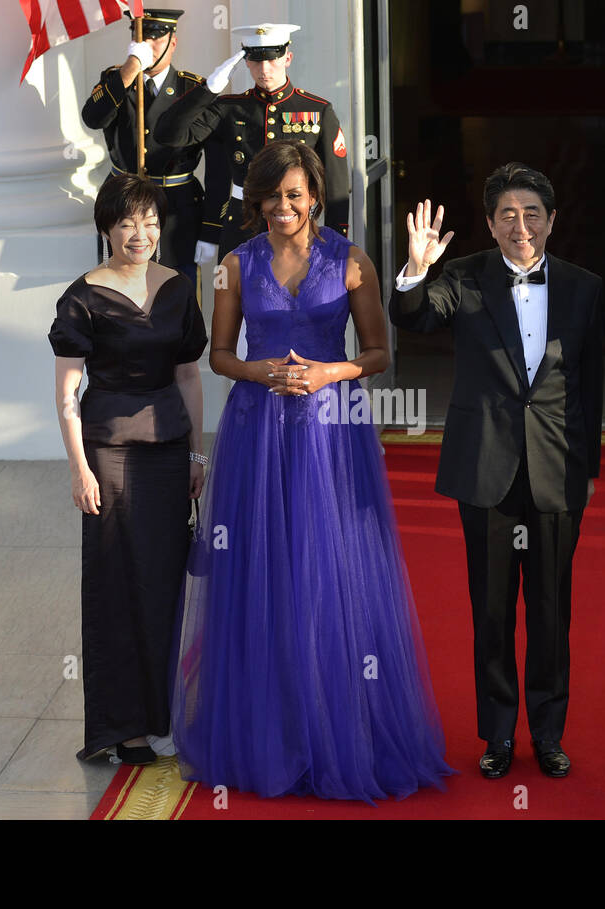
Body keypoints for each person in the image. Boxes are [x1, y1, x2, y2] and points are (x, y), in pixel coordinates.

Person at [171, 140, 452, 801]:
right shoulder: (233, 267)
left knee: (330, 569)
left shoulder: (351, 261)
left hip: (332, 433)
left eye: (293, 194)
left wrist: (331, 370)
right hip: (257, 431)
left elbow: (379, 352)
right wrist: (255, 369)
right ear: (254, 200)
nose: (282, 206)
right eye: (269, 195)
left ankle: (339, 726)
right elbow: (217, 355)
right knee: (262, 572)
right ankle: (273, 728)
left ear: (315, 195)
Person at [388, 164, 604, 780]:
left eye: (532, 212)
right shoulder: (463, 276)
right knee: (490, 610)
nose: (520, 225)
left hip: (557, 472)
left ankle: (548, 734)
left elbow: (589, 387)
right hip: (485, 467)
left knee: (551, 609)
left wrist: (587, 469)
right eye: (506, 214)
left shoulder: (584, 287)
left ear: (553, 220)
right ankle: (498, 736)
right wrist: (416, 268)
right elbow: (415, 315)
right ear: (488, 223)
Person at [49, 175, 207, 765]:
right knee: (116, 584)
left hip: (168, 449)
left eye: (149, 222)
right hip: (108, 453)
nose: (139, 234)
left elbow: (190, 377)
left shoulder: (178, 288)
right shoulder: (83, 296)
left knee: (164, 582)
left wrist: (196, 454)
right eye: (125, 223)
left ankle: (166, 714)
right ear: (106, 229)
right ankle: (124, 727)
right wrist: (78, 468)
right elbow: (67, 396)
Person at [153, 22, 350, 264]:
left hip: (296, 227)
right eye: (256, 60)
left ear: (288, 57)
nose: (264, 69)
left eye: (272, 59)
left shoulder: (317, 109)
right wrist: (208, 90)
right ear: (246, 62)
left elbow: (337, 185)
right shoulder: (229, 108)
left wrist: (336, 240)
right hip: (242, 226)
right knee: (236, 299)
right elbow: (168, 134)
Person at [81, 9, 208, 282]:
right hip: (123, 199)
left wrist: (213, 226)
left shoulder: (192, 88)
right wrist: (130, 68)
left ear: (173, 43)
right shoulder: (116, 81)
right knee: (118, 283)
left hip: (176, 205)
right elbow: (92, 118)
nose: (148, 47)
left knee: (176, 285)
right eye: (141, 40)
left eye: (156, 40)